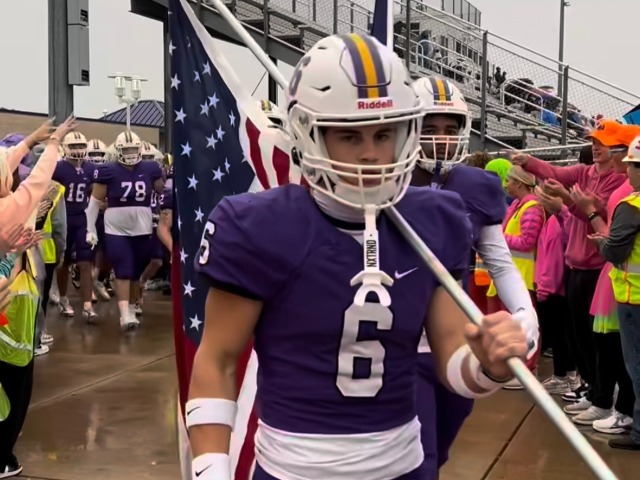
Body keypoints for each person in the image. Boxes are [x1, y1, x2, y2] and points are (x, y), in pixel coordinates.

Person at [187, 34, 528, 480]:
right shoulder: (260, 226)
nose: (371, 153)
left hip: (402, 465)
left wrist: (489, 366)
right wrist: (210, 469)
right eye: (349, 135)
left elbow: (450, 360)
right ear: (308, 134)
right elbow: (217, 360)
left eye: (384, 133)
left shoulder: (434, 218)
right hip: (294, 470)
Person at [410, 76, 538, 468]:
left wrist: (524, 311)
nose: (441, 139)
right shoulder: (387, 181)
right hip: (400, 337)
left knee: (440, 449)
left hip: (457, 337)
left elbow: (498, 259)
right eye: (430, 128)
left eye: (450, 130)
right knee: (419, 457)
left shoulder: (475, 185)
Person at [512, 120, 631, 405]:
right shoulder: (584, 172)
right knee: (579, 336)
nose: (596, 147)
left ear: (618, 149)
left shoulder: (618, 182)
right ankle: (592, 390)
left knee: (598, 339)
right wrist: (529, 162)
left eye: (602, 143)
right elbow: (557, 174)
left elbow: (595, 213)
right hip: (576, 267)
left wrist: (567, 201)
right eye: (594, 142)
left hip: (597, 268)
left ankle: (602, 396)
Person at [589, 140, 640, 451]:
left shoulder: (631, 206)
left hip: (634, 298)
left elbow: (615, 251)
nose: (627, 172)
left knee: (636, 367)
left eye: (631, 165)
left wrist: (600, 243)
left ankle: (639, 432)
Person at [85, 130, 164, 330]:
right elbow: (94, 203)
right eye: (126, 150)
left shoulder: (150, 168)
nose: (130, 154)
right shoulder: (108, 170)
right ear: (118, 150)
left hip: (142, 226)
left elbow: (162, 191)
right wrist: (90, 228)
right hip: (116, 226)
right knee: (123, 269)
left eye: (133, 149)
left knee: (135, 273)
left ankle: (131, 307)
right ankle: (124, 315)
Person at [53, 131, 98, 321]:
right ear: (66, 147)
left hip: (82, 218)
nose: (78, 149)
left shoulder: (91, 168)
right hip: (63, 218)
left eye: (81, 146)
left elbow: (95, 191)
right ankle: (63, 298)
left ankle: (87, 305)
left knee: (85, 262)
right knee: (63, 262)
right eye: (74, 146)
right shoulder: (58, 168)